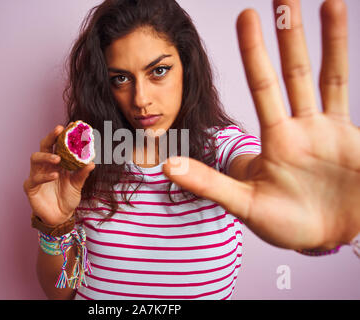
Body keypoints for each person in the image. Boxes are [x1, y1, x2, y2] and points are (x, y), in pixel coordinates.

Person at [23, 0, 359, 300]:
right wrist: (55, 224)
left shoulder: (223, 148)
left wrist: (308, 208)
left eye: (159, 71)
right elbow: (61, 294)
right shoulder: (86, 163)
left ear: (187, 66)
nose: (140, 99)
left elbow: (255, 173)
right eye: (121, 79)